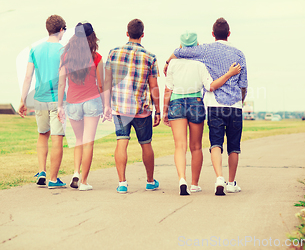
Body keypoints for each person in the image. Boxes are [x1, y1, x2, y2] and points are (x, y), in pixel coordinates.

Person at [165, 18, 248, 196]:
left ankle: (217, 177)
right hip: (233, 104)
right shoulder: (239, 54)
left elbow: (180, 52)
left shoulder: (205, 50)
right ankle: (230, 182)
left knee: (214, 144)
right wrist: (240, 100)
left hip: (213, 104)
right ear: (229, 33)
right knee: (233, 146)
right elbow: (243, 84)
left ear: (212, 34)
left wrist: (167, 62)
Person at [104, 18, 161, 194]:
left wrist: (106, 105)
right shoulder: (150, 57)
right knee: (146, 144)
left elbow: (107, 82)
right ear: (142, 35)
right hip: (141, 109)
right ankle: (150, 181)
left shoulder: (113, 53)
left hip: (120, 107)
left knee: (122, 142)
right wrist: (158, 110)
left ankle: (122, 183)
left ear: (127, 34)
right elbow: (154, 86)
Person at [57, 22, 109, 191]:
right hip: (92, 102)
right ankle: (84, 182)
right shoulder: (97, 57)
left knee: (78, 141)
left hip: (72, 102)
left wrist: (60, 106)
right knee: (88, 143)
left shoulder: (65, 56)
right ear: (92, 37)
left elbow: (61, 83)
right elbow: (101, 85)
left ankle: (76, 173)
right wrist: (106, 105)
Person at [19, 14, 67, 189]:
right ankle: (53, 179)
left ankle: (42, 171)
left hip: (39, 99)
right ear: (61, 29)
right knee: (57, 138)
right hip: (57, 100)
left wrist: (23, 100)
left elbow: (27, 77)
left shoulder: (35, 50)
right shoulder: (64, 51)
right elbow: (62, 80)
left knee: (42, 134)